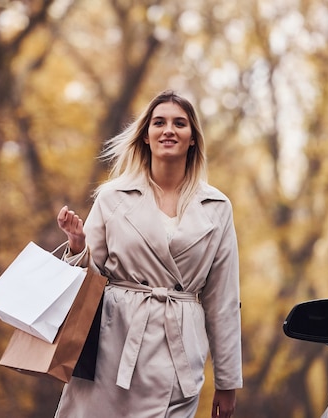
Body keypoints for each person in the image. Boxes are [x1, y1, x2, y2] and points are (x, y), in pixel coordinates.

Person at [55, 90, 242, 418]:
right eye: (159, 122)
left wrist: (227, 382)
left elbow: (223, 300)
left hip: (179, 354)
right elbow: (90, 281)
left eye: (179, 123)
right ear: (145, 135)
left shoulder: (216, 207)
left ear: (193, 138)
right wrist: (77, 245)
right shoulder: (113, 198)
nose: (169, 129)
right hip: (114, 347)